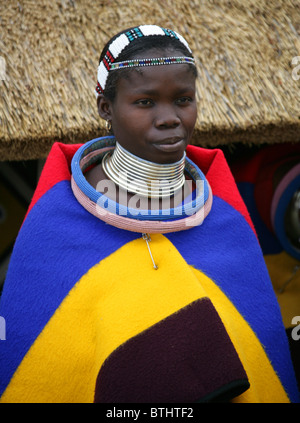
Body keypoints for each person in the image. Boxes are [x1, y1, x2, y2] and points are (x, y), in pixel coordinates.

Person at [0, 25, 299, 403]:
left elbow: (258, 351)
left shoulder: (224, 217)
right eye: (145, 102)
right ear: (105, 108)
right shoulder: (55, 222)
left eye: (183, 99)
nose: (169, 117)